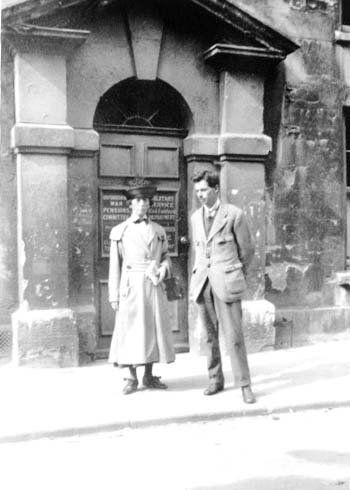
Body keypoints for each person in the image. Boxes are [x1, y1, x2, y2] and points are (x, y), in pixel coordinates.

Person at [190, 169, 256, 404]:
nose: (200, 195)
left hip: (226, 282)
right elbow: (199, 251)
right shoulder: (195, 217)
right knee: (209, 337)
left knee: (234, 337)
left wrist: (234, 273)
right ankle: (215, 380)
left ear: (216, 189)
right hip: (203, 284)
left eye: (204, 190)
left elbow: (247, 251)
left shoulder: (234, 215)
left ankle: (244, 385)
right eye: (197, 190)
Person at [108, 180, 175, 395]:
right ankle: (131, 378)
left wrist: (163, 269)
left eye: (145, 200)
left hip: (153, 285)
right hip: (130, 287)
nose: (142, 204)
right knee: (130, 331)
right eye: (138, 200)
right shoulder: (120, 231)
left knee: (152, 329)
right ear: (130, 204)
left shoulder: (158, 230)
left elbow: (166, 257)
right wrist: (114, 295)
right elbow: (114, 266)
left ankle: (148, 375)